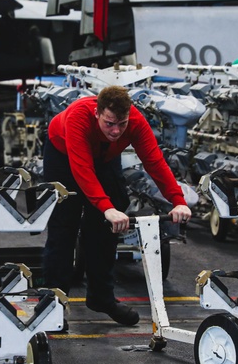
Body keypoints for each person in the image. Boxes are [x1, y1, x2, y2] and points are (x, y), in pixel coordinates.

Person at [42, 85, 192, 326]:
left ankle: (101, 297)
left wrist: (178, 200)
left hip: (105, 158)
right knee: (64, 226)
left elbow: (154, 161)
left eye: (121, 124)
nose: (116, 130)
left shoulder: (134, 122)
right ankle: (53, 305)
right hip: (63, 155)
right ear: (97, 113)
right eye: (109, 123)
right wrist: (106, 207)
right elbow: (82, 170)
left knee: (107, 227)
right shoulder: (79, 115)